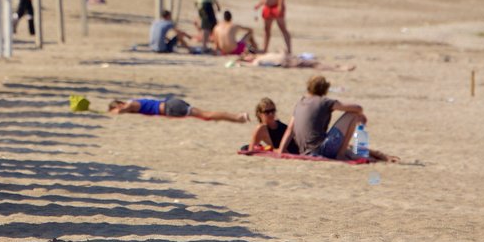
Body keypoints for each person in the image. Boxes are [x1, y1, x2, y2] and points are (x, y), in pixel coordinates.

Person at [279, 75, 364, 160]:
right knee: (353, 115)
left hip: (304, 151)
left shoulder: (300, 103)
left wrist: (281, 151)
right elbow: (358, 108)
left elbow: (289, 130)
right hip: (321, 150)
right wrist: (361, 115)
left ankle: (348, 153)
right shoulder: (324, 102)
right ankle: (341, 154)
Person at [108, 96, 248, 123]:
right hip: (171, 105)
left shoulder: (131, 104)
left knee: (207, 115)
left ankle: (238, 117)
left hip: (171, 107)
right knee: (206, 115)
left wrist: (113, 112)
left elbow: (122, 110)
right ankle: (237, 117)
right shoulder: (133, 103)